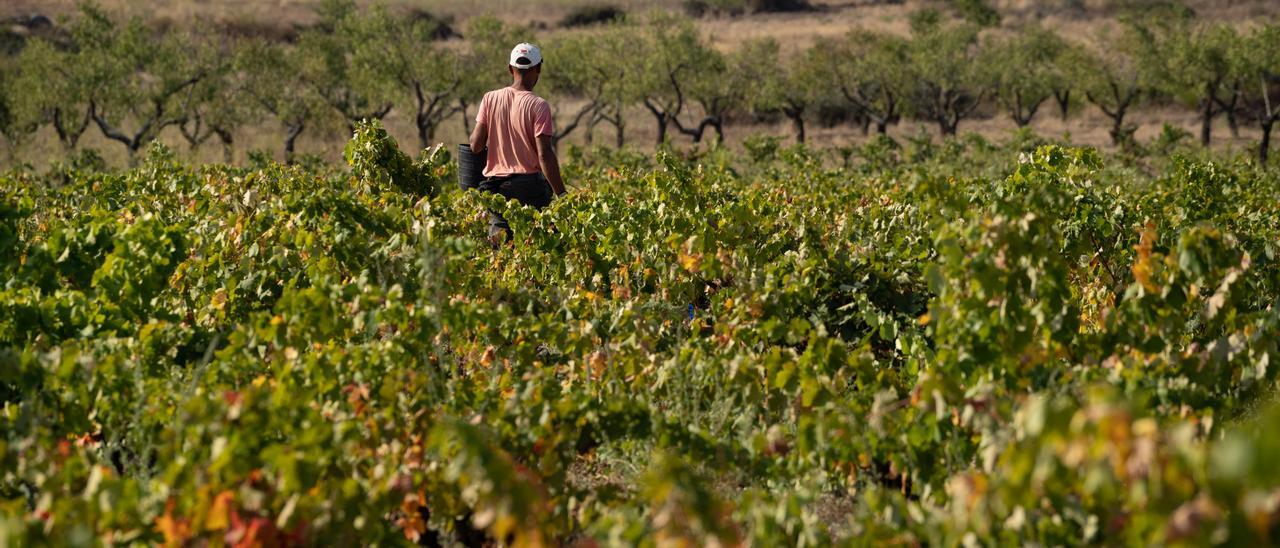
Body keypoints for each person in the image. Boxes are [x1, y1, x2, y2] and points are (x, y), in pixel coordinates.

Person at [468, 42, 567, 246]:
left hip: (495, 188)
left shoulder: (490, 98)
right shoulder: (539, 106)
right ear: (538, 68)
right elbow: (544, 154)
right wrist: (562, 194)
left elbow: (475, 145)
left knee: (501, 249)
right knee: (540, 245)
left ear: (510, 69)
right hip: (529, 187)